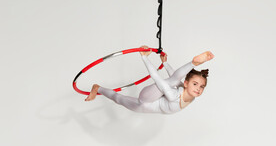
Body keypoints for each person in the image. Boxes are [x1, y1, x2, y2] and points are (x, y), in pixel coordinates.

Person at [85, 45, 214, 114]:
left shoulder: (184, 90)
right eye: (195, 84)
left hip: (143, 105)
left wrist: (164, 63)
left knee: (118, 98)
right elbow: (157, 78)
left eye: (202, 86)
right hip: (146, 99)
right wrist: (144, 58)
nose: (198, 88)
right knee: (171, 81)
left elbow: (174, 76)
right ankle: (193, 63)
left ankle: (97, 88)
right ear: (186, 83)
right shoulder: (175, 94)